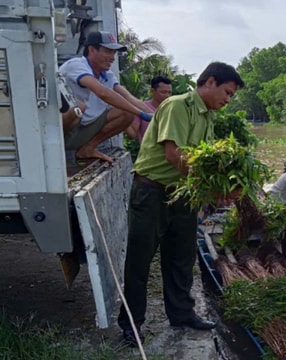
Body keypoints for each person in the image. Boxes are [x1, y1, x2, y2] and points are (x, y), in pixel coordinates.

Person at [118, 62, 245, 346]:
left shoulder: (208, 116)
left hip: (184, 194)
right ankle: (132, 324)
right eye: (227, 93)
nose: (228, 100)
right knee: (139, 260)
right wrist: (214, 188)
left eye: (231, 96)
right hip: (152, 191)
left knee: (182, 258)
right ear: (209, 82)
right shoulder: (178, 106)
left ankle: (182, 314)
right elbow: (174, 155)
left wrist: (220, 190)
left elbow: (204, 162)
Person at [59, 31, 154, 163]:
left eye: (114, 53)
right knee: (78, 107)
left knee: (126, 112)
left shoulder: (107, 75)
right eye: (108, 51)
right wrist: (141, 114)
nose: (112, 57)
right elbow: (102, 93)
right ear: (92, 49)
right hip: (62, 130)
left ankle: (88, 149)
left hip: (83, 130)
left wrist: (156, 115)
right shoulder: (76, 65)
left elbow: (129, 98)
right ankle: (56, 148)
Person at [126, 76, 173, 143]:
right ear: (152, 91)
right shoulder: (140, 107)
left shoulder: (173, 109)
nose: (167, 96)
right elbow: (132, 134)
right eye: (163, 92)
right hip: (149, 152)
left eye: (169, 92)